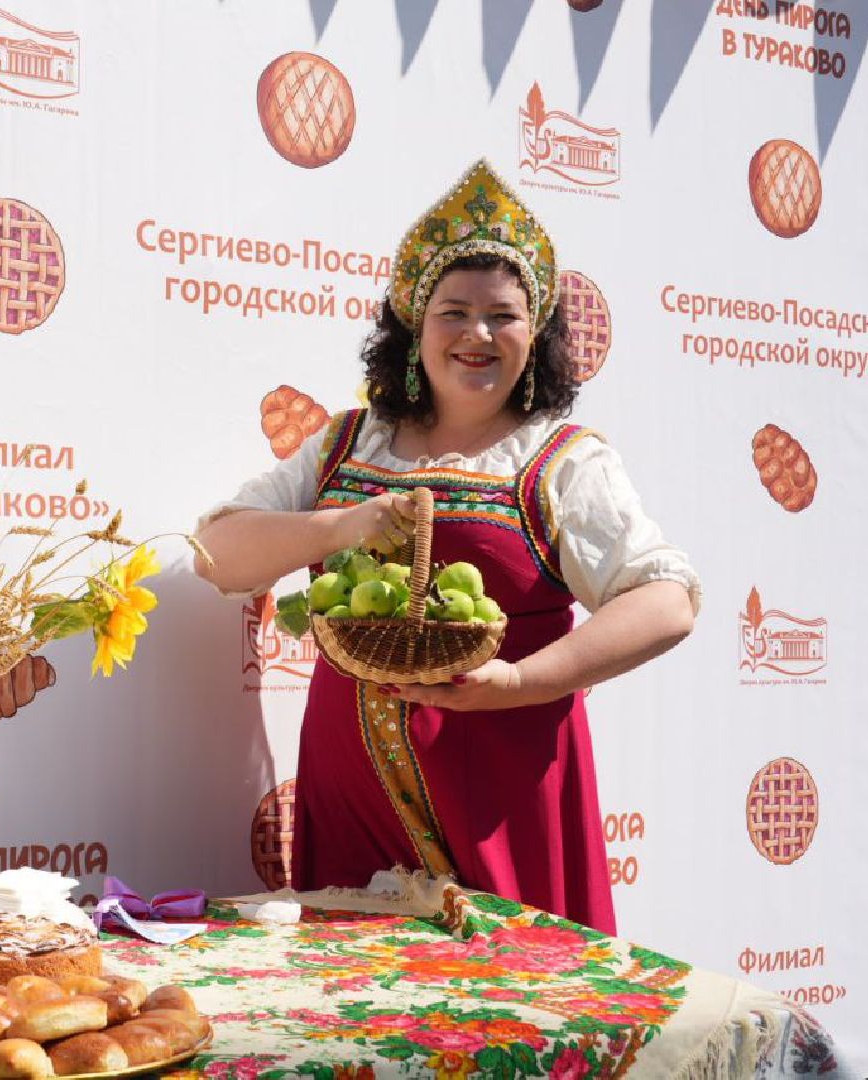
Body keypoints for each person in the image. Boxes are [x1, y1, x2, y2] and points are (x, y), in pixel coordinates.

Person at [193, 160, 698, 934]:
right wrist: (342, 526)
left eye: (502, 316)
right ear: (412, 328)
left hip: (500, 795)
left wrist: (522, 681)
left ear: (537, 335)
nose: (476, 335)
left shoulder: (560, 459)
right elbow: (216, 553)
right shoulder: (344, 445)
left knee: (504, 1022)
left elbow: (666, 600)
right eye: (452, 312)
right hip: (349, 797)